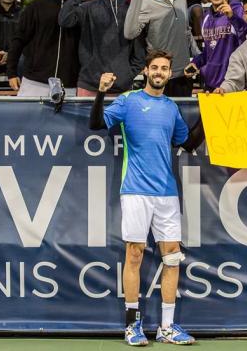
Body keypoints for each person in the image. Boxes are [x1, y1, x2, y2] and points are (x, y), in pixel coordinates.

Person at [89, 49, 203, 346]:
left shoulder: (171, 108)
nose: (159, 72)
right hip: (136, 191)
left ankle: (166, 327)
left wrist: (211, 112)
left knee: (172, 258)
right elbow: (97, 124)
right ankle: (131, 325)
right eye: (155, 67)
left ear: (168, 73)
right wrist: (101, 93)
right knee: (135, 255)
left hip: (167, 193)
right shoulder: (128, 101)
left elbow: (188, 142)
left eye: (164, 68)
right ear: (146, 71)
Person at [58, 0, 143, 96]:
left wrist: (127, 75)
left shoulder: (131, 12)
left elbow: (139, 51)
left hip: (121, 88)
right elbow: (64, 20)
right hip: (89, 85)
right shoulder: (88, 8)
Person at [125, 0, 197, 97]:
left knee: (180, 119)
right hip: (158, 76)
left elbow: (187, 32)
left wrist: (198, 58)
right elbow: (129, 33)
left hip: (183, 75)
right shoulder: (146, 3)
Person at [6, 0, 80, 97]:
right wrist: (11, 72)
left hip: (69, 84)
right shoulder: (34, 8)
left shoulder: (79, 10)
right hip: (34, 82)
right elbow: (18, 40)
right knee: (26, 119)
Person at [184, 0, 247, 91]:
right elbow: (209, 52)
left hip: (232, 86)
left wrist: (232, 17)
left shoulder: (238, 10)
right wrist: (196, 63)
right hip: (210, 86)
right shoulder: (206, 16)